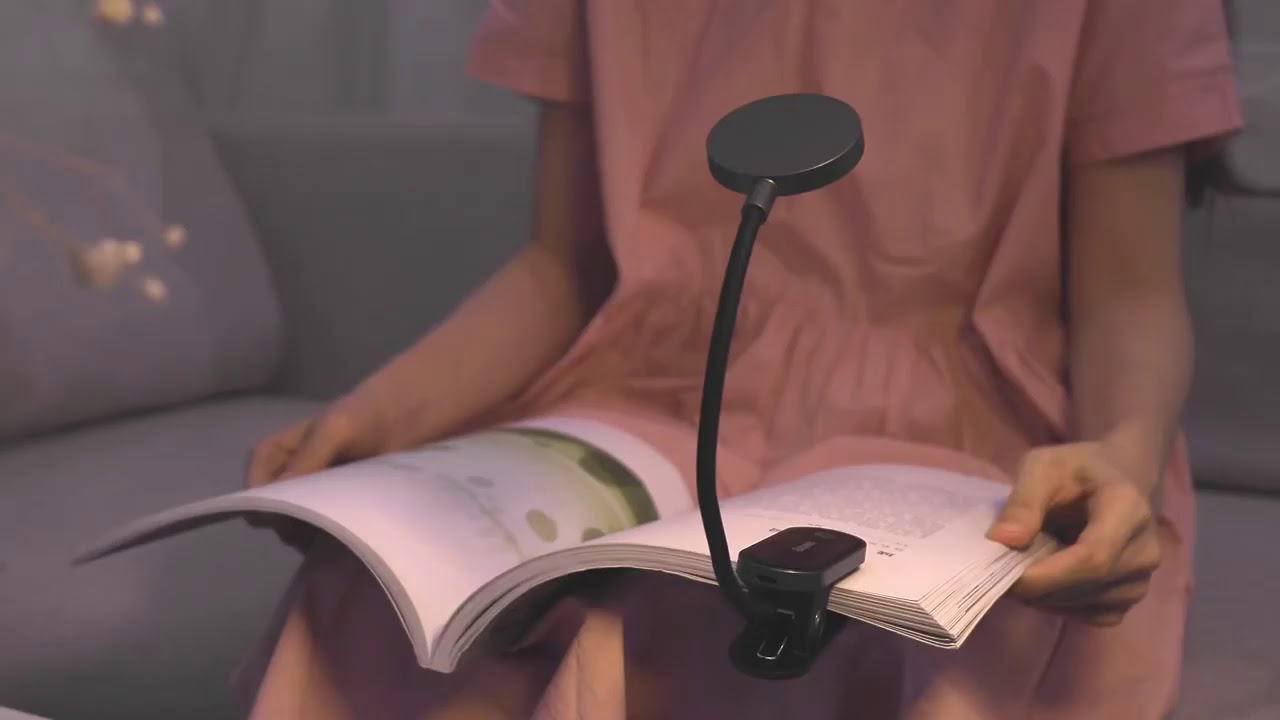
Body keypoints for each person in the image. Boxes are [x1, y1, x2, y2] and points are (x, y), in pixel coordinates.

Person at [236, 1, 1244, 718]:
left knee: (792, 637)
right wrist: (377, 415)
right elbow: (561, 265)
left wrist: (1122, 456)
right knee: (368, 597)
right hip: (653, 390)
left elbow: (1126, 295)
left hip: (962, 427)